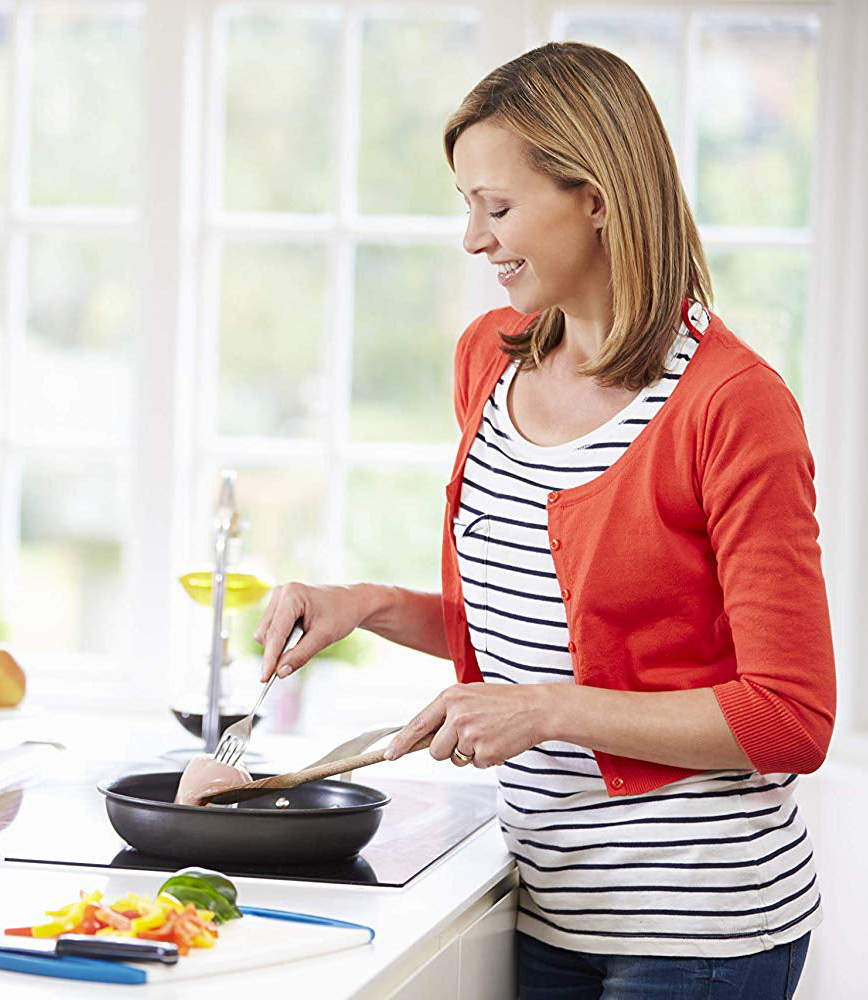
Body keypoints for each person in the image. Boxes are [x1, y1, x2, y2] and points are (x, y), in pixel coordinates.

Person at [251, 42, 833, 999]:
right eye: (466, 207)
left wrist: (545, 711)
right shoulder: (490, 360)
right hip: (543, 896)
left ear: (596, 196)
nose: (474, 240)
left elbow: (792, 716)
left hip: (698, 928)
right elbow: (545, 628)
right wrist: (364, 604)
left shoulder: (731, 405)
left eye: (499, 206)